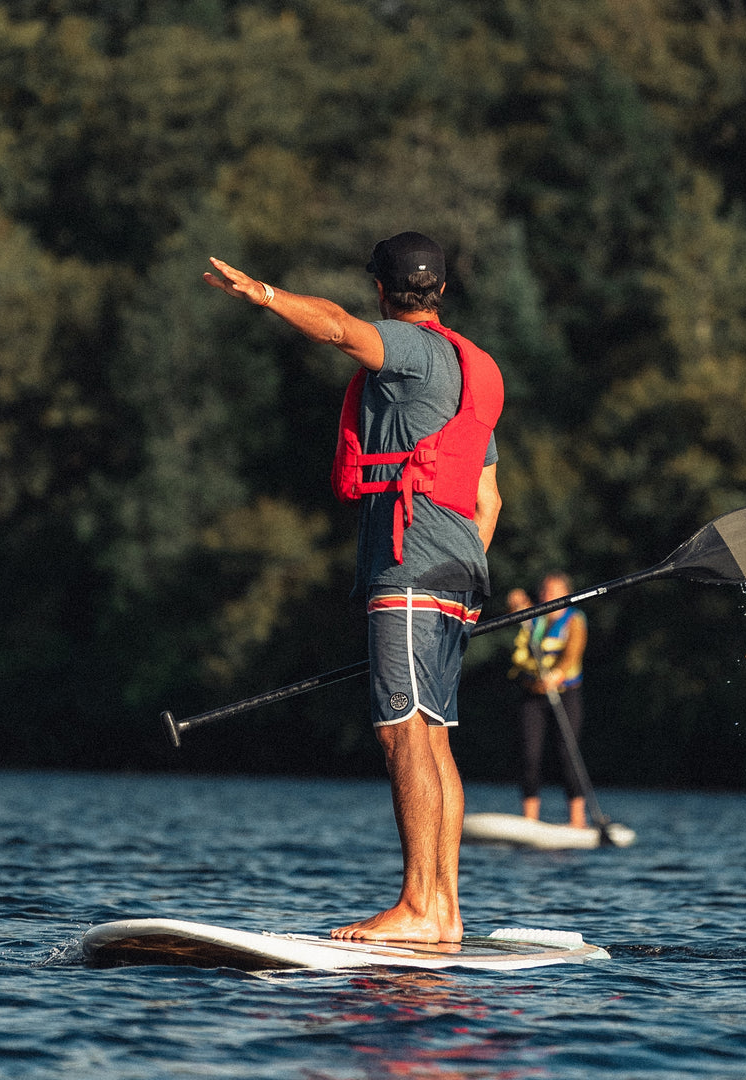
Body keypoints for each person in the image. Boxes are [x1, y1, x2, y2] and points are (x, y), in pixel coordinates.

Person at [204, 232, 503, 944]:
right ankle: (446, 912)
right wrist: (457, 572)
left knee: (401, 735)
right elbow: (489, 502)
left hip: (408, 569)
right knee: (433, 738)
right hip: (458, 573)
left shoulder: (406, 349)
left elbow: (339, 331)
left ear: (382, 291)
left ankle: (419, 908)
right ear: (441, 291)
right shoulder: (476, 370)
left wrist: (266, 294)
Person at [507, 572, 589, 828]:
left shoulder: (574, 620)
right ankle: (530, 818)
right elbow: (516, 604)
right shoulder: (535, 619)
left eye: (553, 591)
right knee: (530, 755)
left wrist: (557, 674)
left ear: (566, 593)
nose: (547, 595)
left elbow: (573, 653)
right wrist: (515, 600)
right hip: (533, 694)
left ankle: (577, 819)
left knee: (568, 753)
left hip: (566, 693)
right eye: (544, 590)